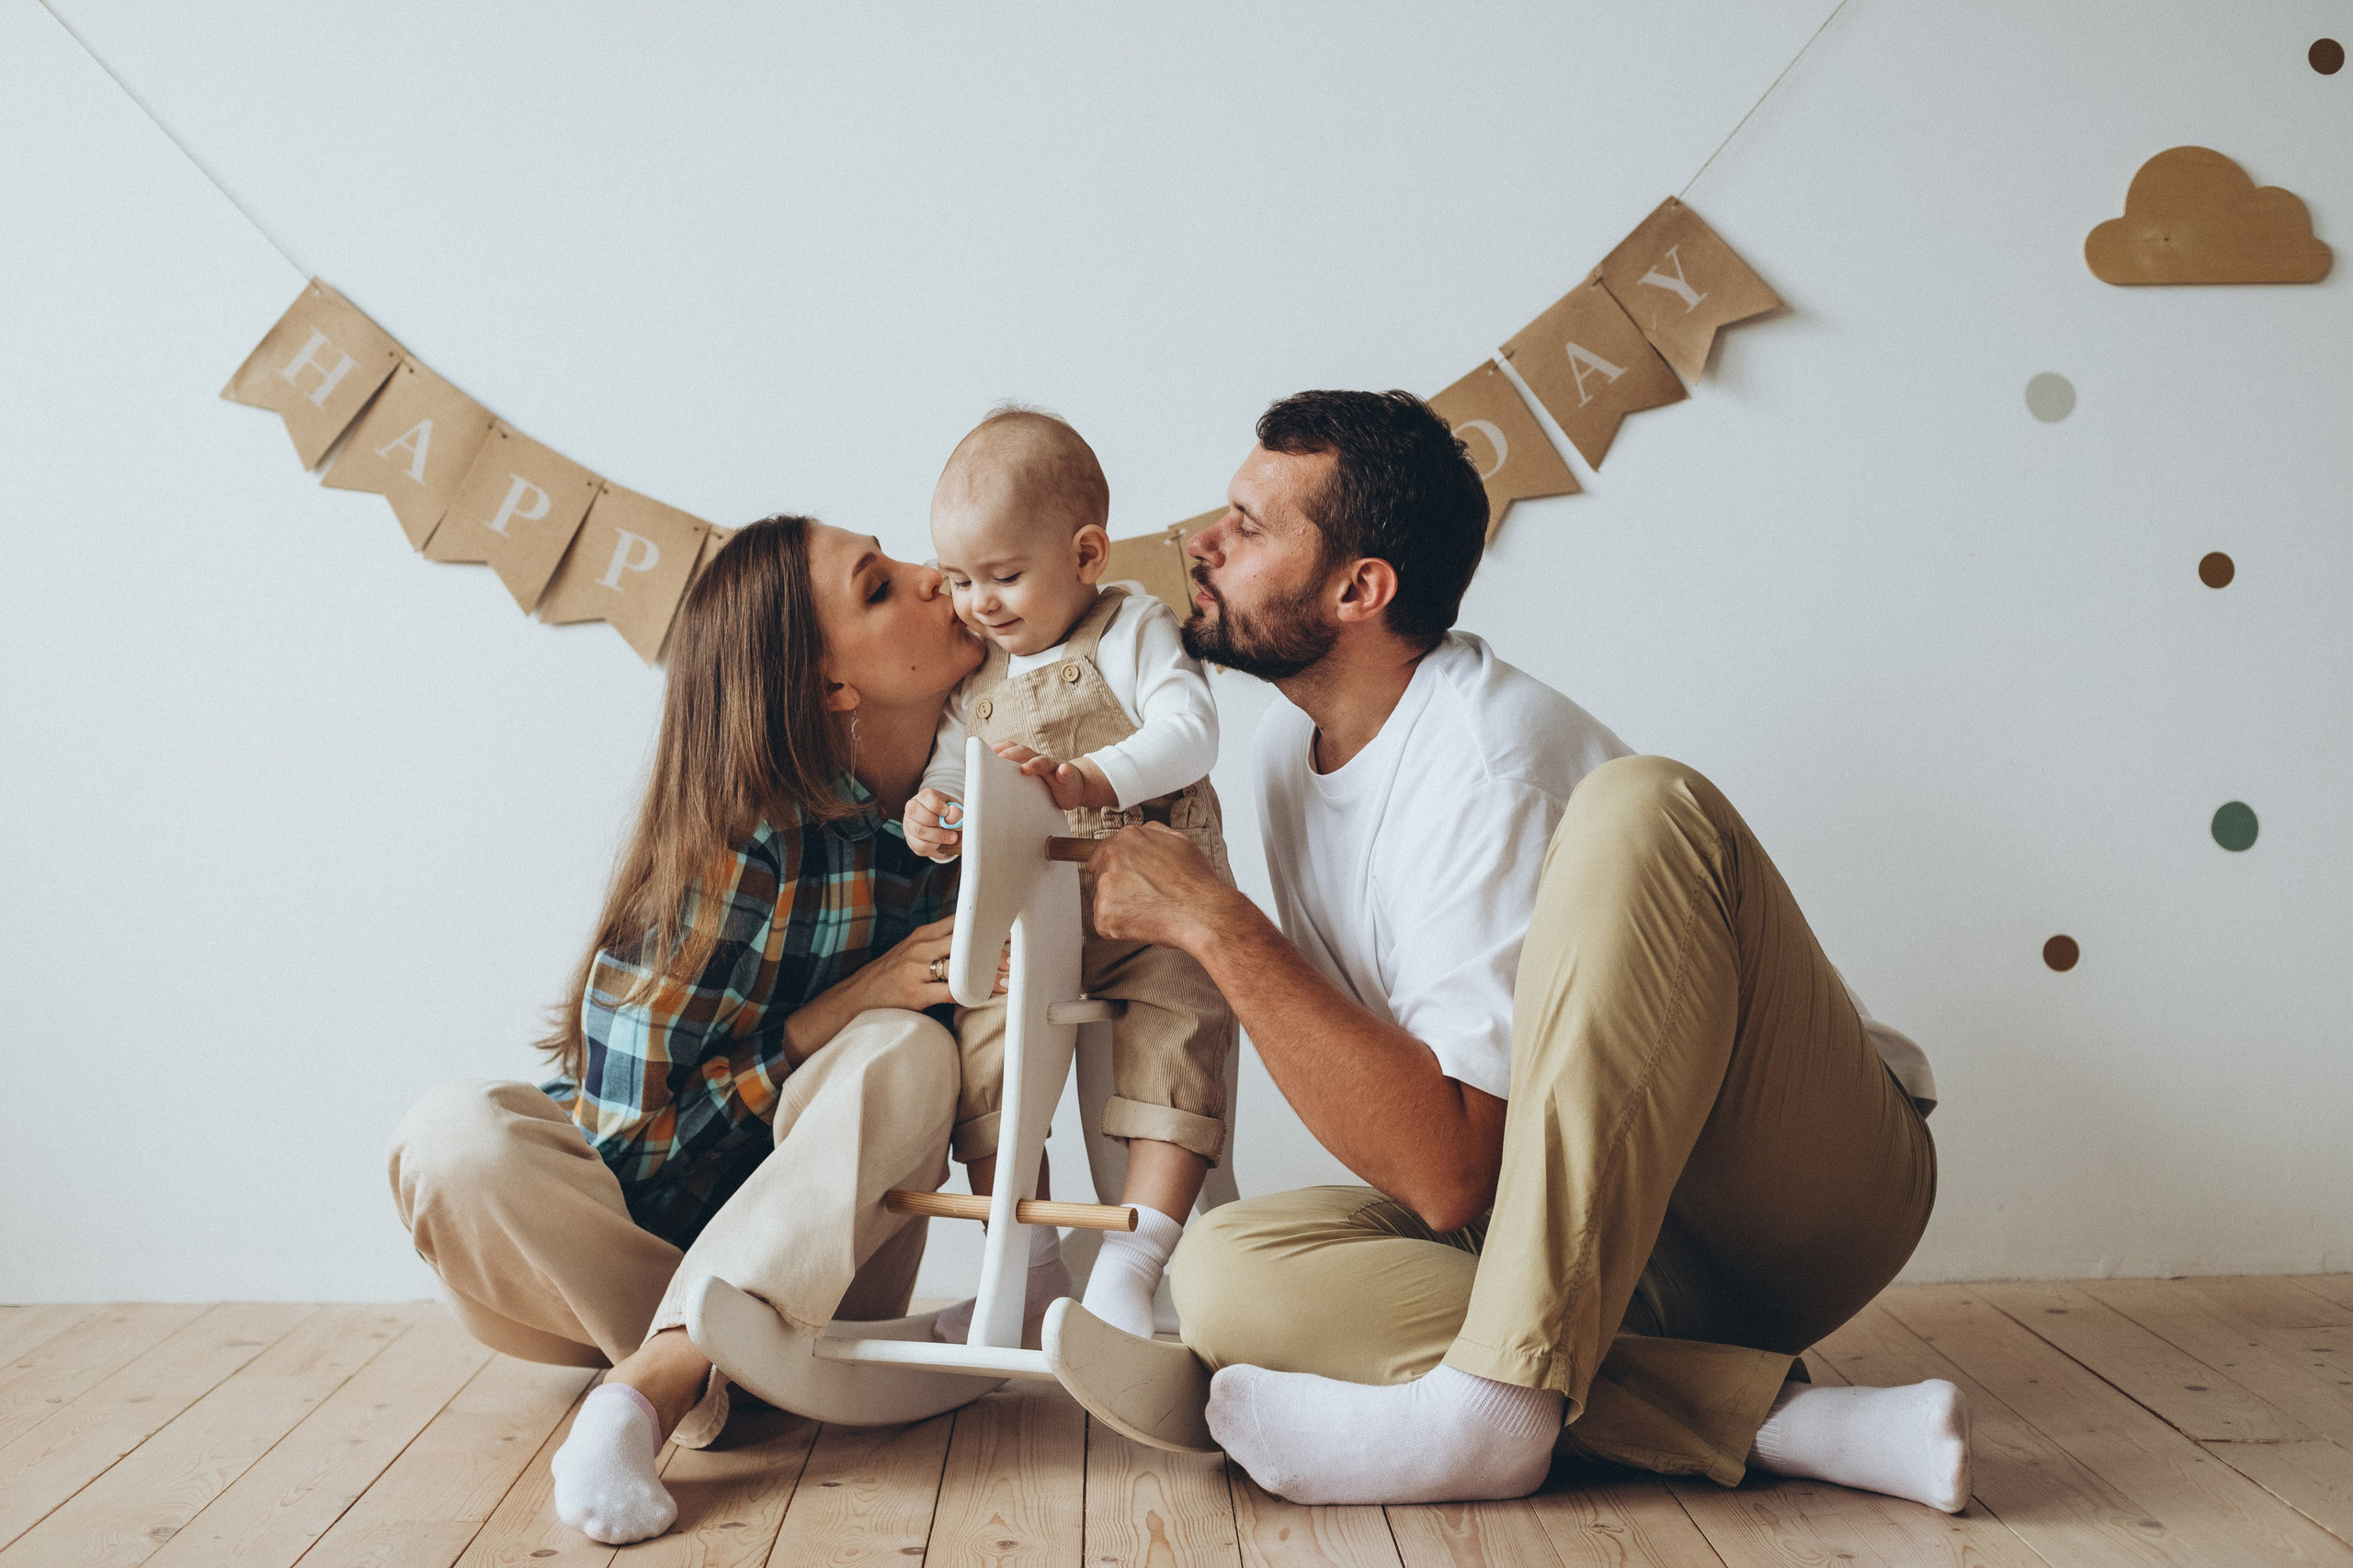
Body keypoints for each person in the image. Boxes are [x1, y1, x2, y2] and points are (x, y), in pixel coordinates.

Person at [1083, 391, 1969, 1512]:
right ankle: (1787, 1419)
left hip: (1783, 1194)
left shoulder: (1486, 762)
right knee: (1225, 1274)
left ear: (1360, 589)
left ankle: (1491, 1406)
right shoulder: (1281, 750)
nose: (1203, 542)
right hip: (1586, 1243)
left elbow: (1448, 1165)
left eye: (1250, 526)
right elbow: (1453, 1184)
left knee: (1648, 803)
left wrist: (1217, 923)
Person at [387, 515, 987, 1546]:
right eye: (880, 587)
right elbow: (634, 1150)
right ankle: (727, 1352)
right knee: (453, 1134)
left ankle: (655, 1382)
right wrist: (826, 1016)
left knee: (907, 1048)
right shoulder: (735, 846)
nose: (940, 576)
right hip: (598, 1254)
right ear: (830, 684)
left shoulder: (985, 795)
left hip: (833, 1248)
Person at [904, 405, 1236, 1342]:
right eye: (960, 580)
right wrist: (928, 814)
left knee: (1179, 1035)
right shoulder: (976, 681)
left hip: (1155, 909)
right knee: (980, 1049)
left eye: (1004, 575)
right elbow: (947, 768)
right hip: (1033, 926)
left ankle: (1133, 1261)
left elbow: (1191, 730)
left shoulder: (1128, 628)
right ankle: (1029, 1262)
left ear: (1086, 553)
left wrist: (1096, 776)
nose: (979, 602)